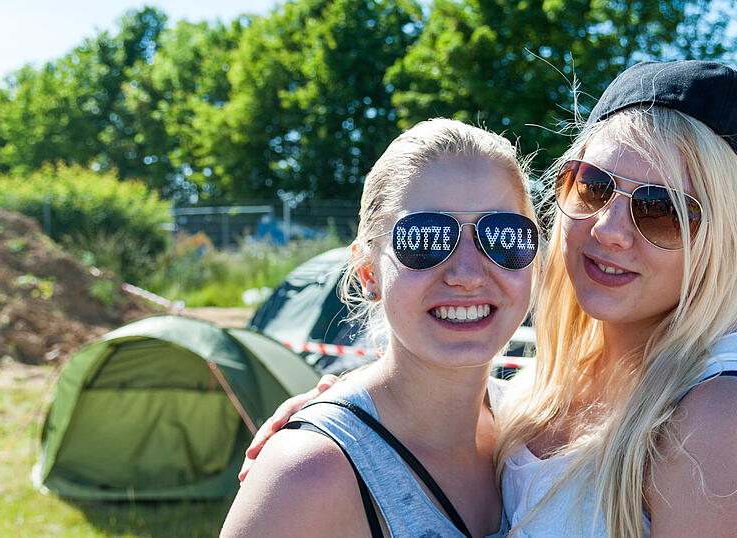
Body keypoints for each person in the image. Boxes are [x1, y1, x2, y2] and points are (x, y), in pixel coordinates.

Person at [241, 61, 737, 537]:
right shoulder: (534, 400)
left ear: (725, 239)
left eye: (661, 210)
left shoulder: (730, 419)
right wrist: (347, 414)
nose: (609, 230)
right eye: (594, 186)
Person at [221, 118, 540, 537]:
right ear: (367, 272)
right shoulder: (310, 473)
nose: (468, 273)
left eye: (503, 236)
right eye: (425, 237)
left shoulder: (541, 432)